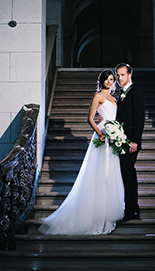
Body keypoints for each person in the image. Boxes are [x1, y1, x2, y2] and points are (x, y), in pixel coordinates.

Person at [38, 69, 125, 235]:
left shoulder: (113, 98)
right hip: (102, 135)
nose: (109, 81)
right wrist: (100, 134)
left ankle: (108, 214)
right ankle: (95, 216)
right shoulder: (98, 96)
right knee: (100, 175)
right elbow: (90, 118)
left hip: (113, 137)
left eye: (112, 79)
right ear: (102, 81)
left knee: (111, 175)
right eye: (107, 79)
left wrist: (117, 133)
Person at [115, 62, 145, 221]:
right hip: (121, 141)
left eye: (123, 75)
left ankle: (133, 209)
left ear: (130, 75)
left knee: (128, 173)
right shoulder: (121, 94)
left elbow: (139, 119)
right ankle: (129, 208)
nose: (120, 78)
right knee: (125, 174)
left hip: (130, 143)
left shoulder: (136, 92)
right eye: (118, 75)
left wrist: (134, 141)